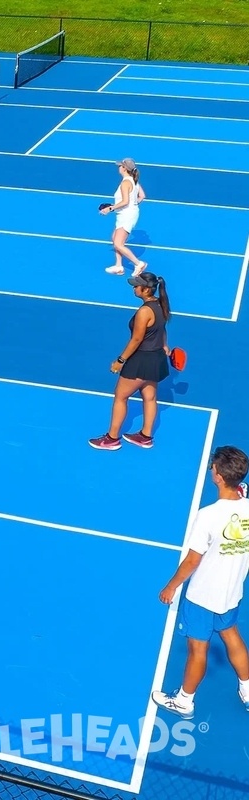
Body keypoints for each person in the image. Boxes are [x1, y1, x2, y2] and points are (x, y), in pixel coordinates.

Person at [151, 445, 249, 719]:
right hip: (232, 592)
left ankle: (184, 701)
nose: (212, 470)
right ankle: (248, 689)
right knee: (231, 634)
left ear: (218, 476)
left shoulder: (208, 516)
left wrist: (171, 586)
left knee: (197, 649)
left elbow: (193, 560)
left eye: (213, 467)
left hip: (202, 597)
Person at [88, 271, 170, 450]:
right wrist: (164, 345)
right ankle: (146, 436)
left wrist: (120, 360)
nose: (134, 288)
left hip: (141, 360)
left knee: (120, 396)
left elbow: (136, 340)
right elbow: (161, 329)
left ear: (146, 290)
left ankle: (112, 439)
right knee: (150, 397)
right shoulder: (161, 304)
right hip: (156, 358)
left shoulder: (144, 312)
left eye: (136, 285)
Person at [102, 158, 148, 276]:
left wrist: (110, 208)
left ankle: (138, 264)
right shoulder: (133, 180)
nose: (118, 168)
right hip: (126, 213)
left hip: (126, 215)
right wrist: (133, 205)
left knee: (118, 244)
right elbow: (142, 196)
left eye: (120, 166)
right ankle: (118, 266)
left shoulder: (125, 183)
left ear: (124, 168)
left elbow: (125, 201)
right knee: (114, 237)